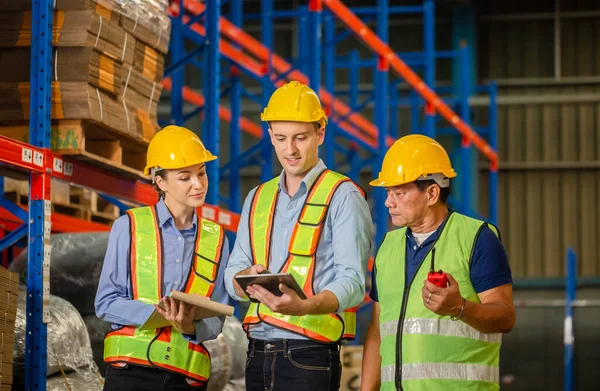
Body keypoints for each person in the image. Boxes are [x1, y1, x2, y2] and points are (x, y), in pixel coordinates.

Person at [224, 81, 374, 391]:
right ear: (270, 136)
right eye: (280, 138)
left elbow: (354, 283)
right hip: (256, 353)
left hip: (309, 356)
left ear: (320, 132)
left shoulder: (342, 195)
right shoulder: (257, 197)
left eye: (300, 138)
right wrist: (245, 278)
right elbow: (232, 272)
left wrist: (304, 307)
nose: (289, 150)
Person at [360, 134, 515, 391]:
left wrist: (460, 307)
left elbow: (505, 317)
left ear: (432, 193)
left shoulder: (477, 238)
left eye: (399, 192)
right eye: (388, 192)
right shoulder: (388, 247)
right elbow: (378, 332)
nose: (388, 202)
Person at [95, 125, 230, 390]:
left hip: (186, 377)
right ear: (160, 181)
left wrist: (190, 327)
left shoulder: (217, 238)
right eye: (185, 177)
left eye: (201, 174)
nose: (198, 184)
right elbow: (106, 302)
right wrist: (158, 313)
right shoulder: (129, 227)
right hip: (131, 373)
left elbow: (218, 315)